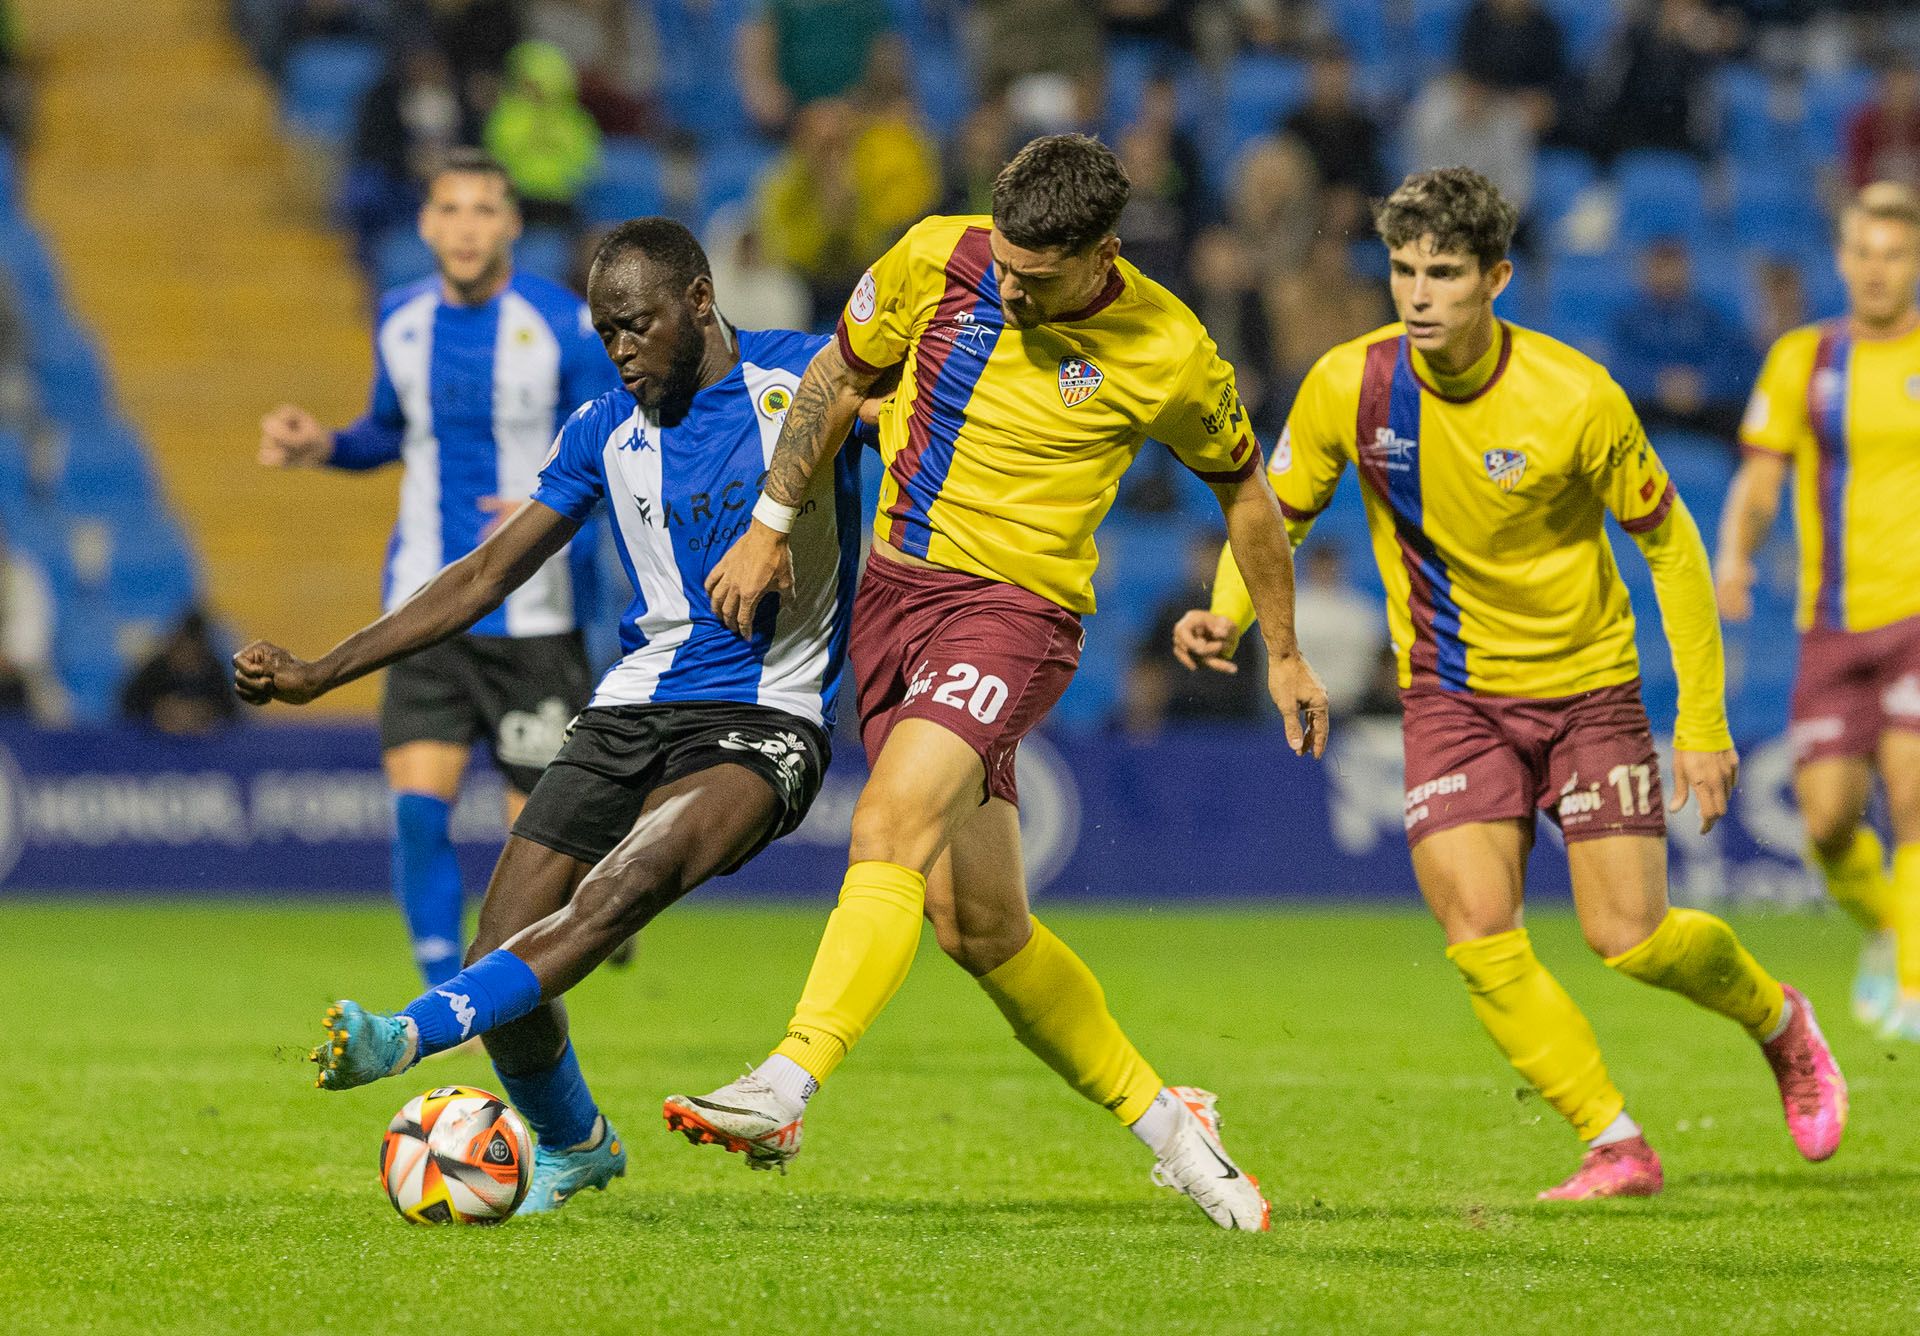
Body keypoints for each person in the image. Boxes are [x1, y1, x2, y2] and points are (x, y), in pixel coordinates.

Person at [668, 134, 1330, 1232]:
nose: (1010, 284)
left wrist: (1288, 648)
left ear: (1101, 250)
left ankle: (786, 1084)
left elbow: (1248, 494)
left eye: (1037, 274)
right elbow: (839, 375)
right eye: (1005, 264)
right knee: (979, 927)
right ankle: (1175, 1126)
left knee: (888, 821)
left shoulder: (1168, 345)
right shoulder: (938, 257)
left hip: (1014, 616)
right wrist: (769, 525)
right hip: (893, 602)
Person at [1177, 167, 1845, 1201]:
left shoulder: (1575, 397)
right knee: (1478, 931)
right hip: (1451, 698)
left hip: (1588, 691)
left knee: (1629, 938)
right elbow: (1278, 512)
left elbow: (1673, 553)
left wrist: (1704, 722)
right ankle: (1613, 1138)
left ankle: (1779, 1021)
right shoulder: (1348, 386)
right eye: (1403, 270)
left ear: (1497, 277)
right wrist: (1232, 609)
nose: (1418, 294)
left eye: (1443, 273)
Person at [239, 218, 866, 1214]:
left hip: (766, 714)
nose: (621, 350)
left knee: (631, 880)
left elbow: (941, 427)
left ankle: (405, 1035)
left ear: (700, 302)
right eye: (605, 330)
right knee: (506, 945)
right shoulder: (601, 432)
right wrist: (323, 671)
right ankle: (577, 1147)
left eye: (637, 326)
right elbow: (486, 572)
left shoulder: (811, 379)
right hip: (632, 704)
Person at [257, 149, 621, 989]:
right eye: (450, 211)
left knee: (539, 850)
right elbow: (389, 429)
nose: (466, 228)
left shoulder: (562, 326)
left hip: (535, 614)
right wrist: (327, 447)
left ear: (512, 225)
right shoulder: (401, 321)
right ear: (425, 224)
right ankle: (440, 998)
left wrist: (550, 506)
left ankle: (554, 938)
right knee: (420, 814)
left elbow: (616, 449)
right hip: (423, 609)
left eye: (484, 210)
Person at [1717, 181, 1920, 1040]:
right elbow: (1762, 481)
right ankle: (1887, 927)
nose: (1878, 271)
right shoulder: (1804, 359)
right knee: (1830, 824)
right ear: (1843, 261)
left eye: (1895, 254)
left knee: (1913, 802)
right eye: (1864, 253)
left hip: (1916, 619)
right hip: (1831, 627)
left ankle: (1913, 986)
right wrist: (1733, 552)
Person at [1609, 238, 1754, 441]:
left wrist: (1700, 385)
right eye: (1661, 268)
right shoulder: (1628, 319)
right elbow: (1619, 366)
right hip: (1649, 404)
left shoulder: (1708, 316)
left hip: (1702, 405)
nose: (1668, 276)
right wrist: (1658, 384)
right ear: (1646, 272)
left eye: (1674, 268)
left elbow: (1728, 363)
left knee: (1739, 417)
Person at [120, 609, 238, 735]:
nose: (186, 655)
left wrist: (204, 713)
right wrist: (159, 711)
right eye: (182, 648)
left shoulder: (214, 670)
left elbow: (231, 712)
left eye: (193, 650)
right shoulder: (156, 669)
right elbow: (129, 704)